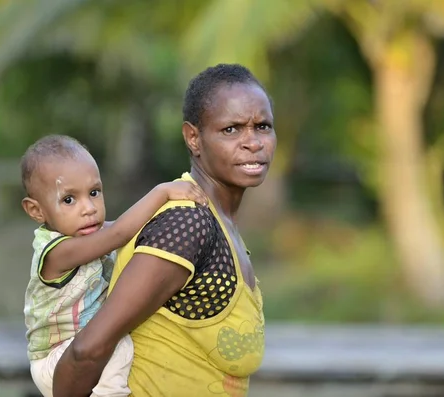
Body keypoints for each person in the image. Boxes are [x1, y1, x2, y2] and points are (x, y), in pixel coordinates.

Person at [53, 63, 277, 397]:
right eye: (231, 129)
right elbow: (88, 350)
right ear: (193, 137)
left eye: (262, 126)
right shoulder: (188, 224)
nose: (252, 142)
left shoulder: (219, 225)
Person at [21, 134, 208, 397]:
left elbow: (130, 228)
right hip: (56, 360)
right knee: (118, 344)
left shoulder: (87, 234)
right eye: (69, 200)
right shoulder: (57, 251)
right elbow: (120, 233)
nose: (89, 208)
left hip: (80, 349)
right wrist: (162, 192)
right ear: (36, 211)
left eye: (94, 193)